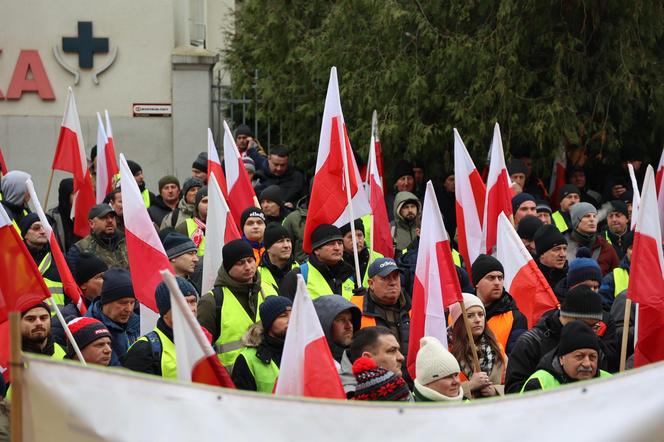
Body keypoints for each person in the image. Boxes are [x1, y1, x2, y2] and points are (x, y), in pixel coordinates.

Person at [504, 285, 618, 393]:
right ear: (567, 316)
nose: (587, 363)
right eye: (586, 325)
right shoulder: (531, 343)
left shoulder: (595, 345)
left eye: (595, 327)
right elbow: (514, 392)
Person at [197, 239, 265, 370]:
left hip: (267, 377)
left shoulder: (268, 290)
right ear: (228, 268)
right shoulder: (211, 302)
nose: (248, 267)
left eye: (250, 260)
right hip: (230, 383)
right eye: (240, 263)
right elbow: (200, 351)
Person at [123, 277, 199, 378]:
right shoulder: (143, 350)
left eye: (193, 301)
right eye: (183, 302)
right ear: (165, 312)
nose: (191, 309)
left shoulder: (200, 343)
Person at [350, 258, 410, 371]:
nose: (392, 282)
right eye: (386, 278)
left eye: (395, 276)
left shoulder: (414, 307)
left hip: (412, 380)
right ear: (371, 283)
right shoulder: (356, 310)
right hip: (376, 381)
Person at [521, 321, 611, 392]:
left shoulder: (610, 382)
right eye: (579, 356)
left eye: (592, 357)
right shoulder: (539, 384)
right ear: (561, 359)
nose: (587, 364)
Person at [449, 293, 506, 398]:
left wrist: (495, 391)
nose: (477, 320)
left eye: (480, 314)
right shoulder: (447, 351)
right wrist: (470, 386)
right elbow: (441, 391)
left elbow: (512, 385)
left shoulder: (497, 348)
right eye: (470, 316)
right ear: (458, 321)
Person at [232, 296, 292, 393]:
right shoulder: (248, 359)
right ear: (269, 322)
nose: (291, 319)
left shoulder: (302, 353)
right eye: (283, 315)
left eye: (294, 314)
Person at [280, 224, 355, 301]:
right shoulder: (298, 276)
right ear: (316, 250)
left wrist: (361, 298)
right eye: (331, 244)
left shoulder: (349, 275)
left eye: (340, 243)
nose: (337, 248)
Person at [471, 254, 527, 355]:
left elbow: (516, 359)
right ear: (477, 282)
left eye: (500, 278)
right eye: (491, 278)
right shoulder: (459, 312)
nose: (497, 282)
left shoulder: (516, 318)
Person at [84, 268, 140, 366]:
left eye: (132, 302)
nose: (129, 309)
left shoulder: (139, 322)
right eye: (123, 303)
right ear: (106, 301)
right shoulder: (89, 330)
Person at [51, 254, 108, 346]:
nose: (107, 281)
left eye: (107, 276)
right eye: (100, 277)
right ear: (83, 285)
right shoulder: (65, 317)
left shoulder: (112, 309)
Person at [313, 295, 362, 395]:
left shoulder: (362, 357)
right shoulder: (311, 366)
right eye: (341, 320)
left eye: (351, 320)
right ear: (322, 323)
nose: (349, 326)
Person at [66, 204, 128, 277]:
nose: (110, 221)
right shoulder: (79, 249)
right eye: (104, 218)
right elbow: (72, 281)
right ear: (92, 223)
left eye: (112, 217)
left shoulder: (128, 242)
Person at [19, 213, 65, 306]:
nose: (43, 231)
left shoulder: (59, 257)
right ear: (25, 234)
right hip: (29, 318)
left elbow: (70, 290)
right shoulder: (15, 261)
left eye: (45, 227)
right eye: (36, 228)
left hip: (61, 317)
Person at [565, 202, 619, 275]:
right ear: (576, 220)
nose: (592, 219)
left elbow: (617, 278)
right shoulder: (563, 247)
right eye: (587, 216)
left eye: (594, 216)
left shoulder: (606, 248)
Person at [413, 336, 464, 402]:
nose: (456, 381)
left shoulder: (467, 404)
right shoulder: (412, 410)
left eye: (456, 375)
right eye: (447, 377)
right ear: (427, 383)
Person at [341, 219, 383, 287]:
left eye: (359, 235)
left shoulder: (378, 258)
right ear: (342, 240)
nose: (356, 240)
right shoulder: (336, 261)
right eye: (350, 237)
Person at [257, 225, 296, 296]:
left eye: (288, 240)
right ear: (268, 248)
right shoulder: (257, 275)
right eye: (280, 241)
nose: (286, 245)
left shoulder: (301, 270)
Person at [599, 236, 632, 311]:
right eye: (632, 247)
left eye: (639, 247)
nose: (636, 251)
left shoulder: (656, 276)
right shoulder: (612, 277)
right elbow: (604, 306)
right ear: (626, 251)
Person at [47, 178, 79, 251]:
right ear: (65, 195)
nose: (77, 196)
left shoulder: (83, 214)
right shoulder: (52, 216)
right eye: (73, 193)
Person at [175, 186, 208, 256]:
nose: (209, 205)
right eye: (205, 201)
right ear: (197, 205)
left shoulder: (225, 225)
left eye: (212, 201)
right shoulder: (184, 227)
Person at [534, 224, 568, 289]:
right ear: (542, 254)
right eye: (557, 249)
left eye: (564, 249)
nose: (562, 254)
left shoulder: (572, 277)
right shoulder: (531, 279)